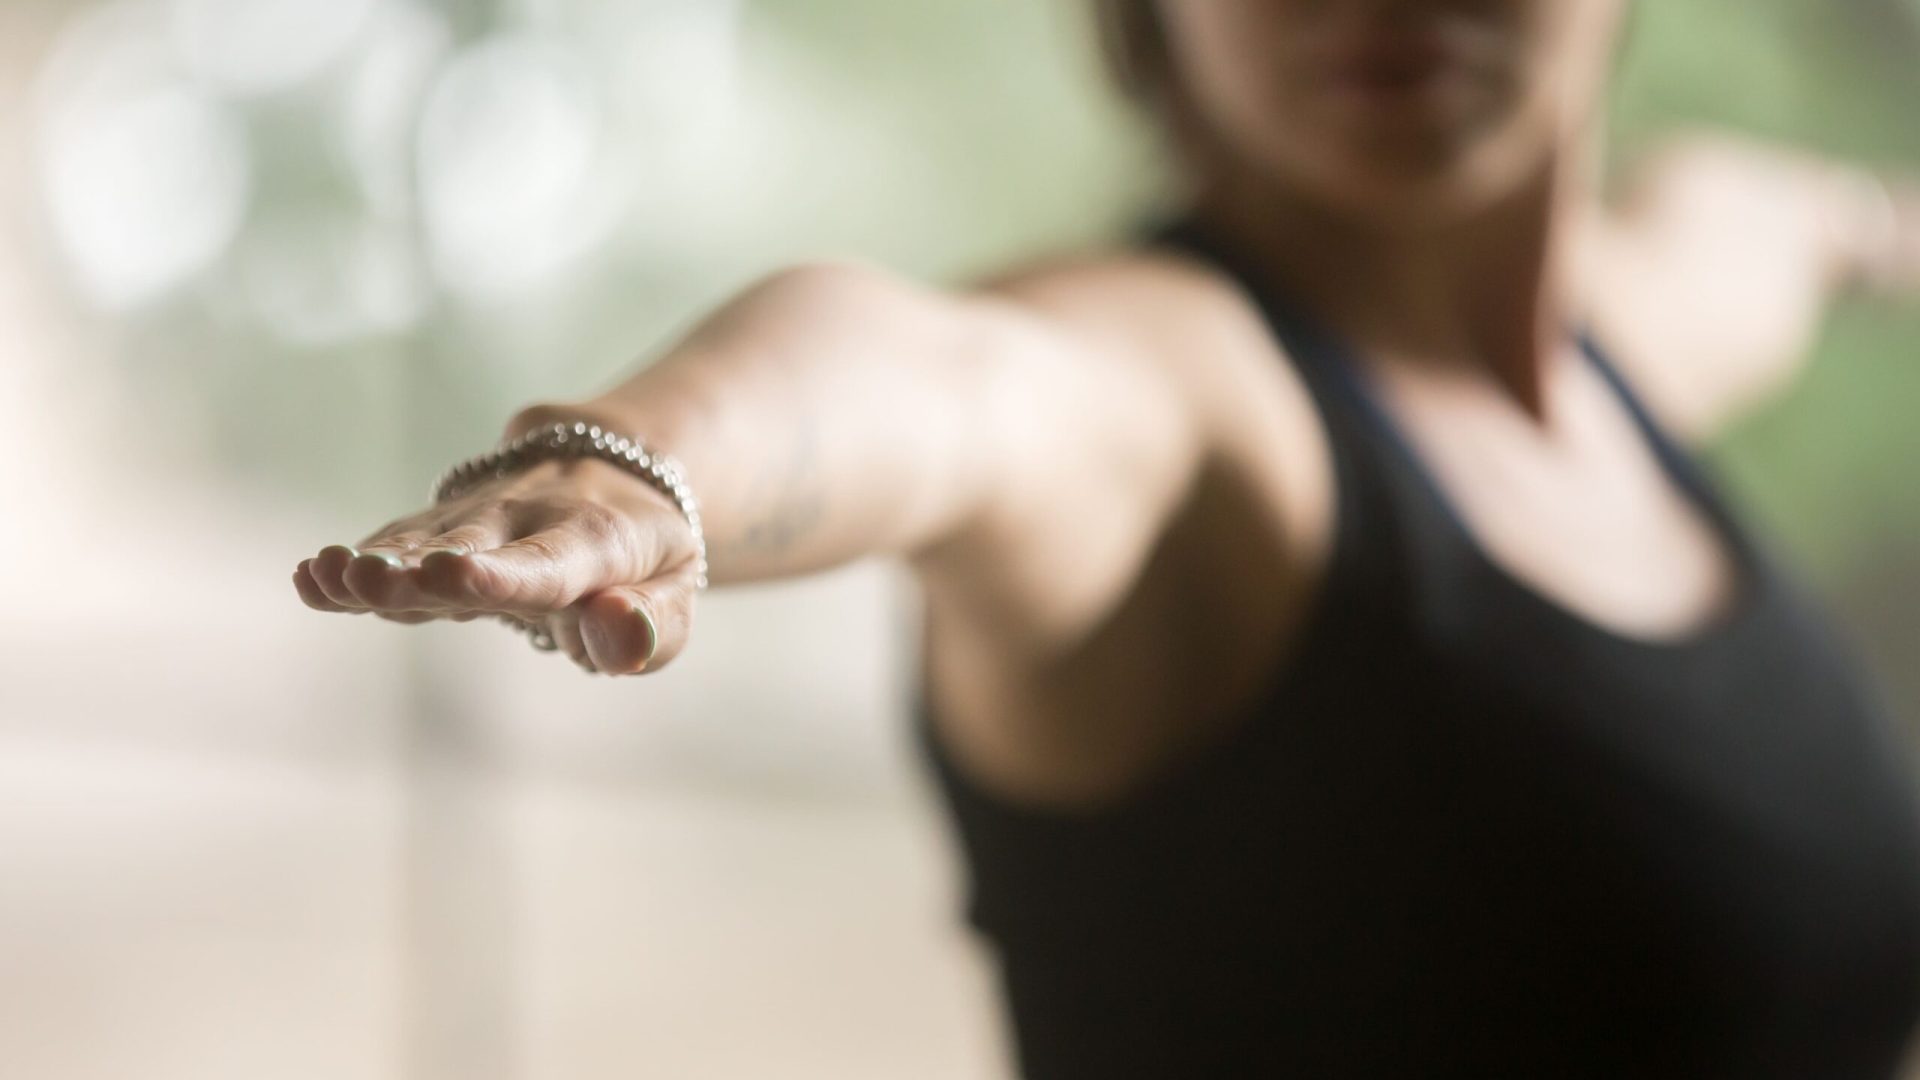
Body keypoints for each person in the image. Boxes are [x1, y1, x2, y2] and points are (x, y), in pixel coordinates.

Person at [294, 1, 1920, 1075]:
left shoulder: (1632, 333)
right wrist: (643, 466)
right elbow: (937, 383)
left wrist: (1869, 223)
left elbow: (1773, 218)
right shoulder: (1176, 397)